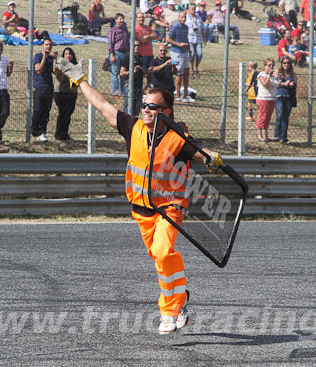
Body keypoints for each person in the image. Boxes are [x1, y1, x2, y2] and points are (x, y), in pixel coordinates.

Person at [59, 61, 223, 334]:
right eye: (144, 105)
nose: (146, 109)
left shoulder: (177, 137)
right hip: (142, 210)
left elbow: (202, 154)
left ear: (166, 112)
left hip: (170, 208)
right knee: (160, 258)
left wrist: (212, 159)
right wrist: (81, 80)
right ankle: (181, 298)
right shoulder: (132, 127)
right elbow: (102, 106)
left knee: (162, 252)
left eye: (152, 106)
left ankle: (169, 310)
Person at [31, 38, 57, 142]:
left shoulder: (51, 58)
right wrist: (44, 58)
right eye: (46, 44)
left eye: (50, 45)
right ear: (42, 45)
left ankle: (42, 132)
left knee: (46, 111)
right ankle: (34, 130)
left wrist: (54, 60)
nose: (48, 47)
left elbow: (55, 72)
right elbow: (39, 70)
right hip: (39, 87)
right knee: (38, 110)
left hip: (49, 87)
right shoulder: (38, 56)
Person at [166, 11, 194, 103]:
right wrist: (179, 44)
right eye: (182, 17)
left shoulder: (186, 27)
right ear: (179, 17)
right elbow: (168, 39)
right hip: (176, 52)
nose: (183, 19)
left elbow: (186, 39)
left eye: (185, 17)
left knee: (186, 73)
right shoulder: (175, 27)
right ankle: (178, 94)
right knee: (179, 73)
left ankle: (185, 94)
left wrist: (189, 50)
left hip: (185, 52)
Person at [52, 47, 77, 141]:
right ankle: (59, 133)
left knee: (68, 113)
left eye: (70, 54)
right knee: (63, 113)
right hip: (61, 92)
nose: (68, 56)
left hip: (72, 93)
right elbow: (59, 76)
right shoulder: (60, 64)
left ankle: (65, 133)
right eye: (66, 54)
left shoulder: (75, 65)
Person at [273, 55, 297, 144]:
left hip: (288, 97)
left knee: (285, 117)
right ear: (281, 64)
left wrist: (292, 84)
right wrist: (284, 83)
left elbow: (295, 84)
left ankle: (284, 136)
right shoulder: (278, 72)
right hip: (279, 96)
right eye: (284, 63)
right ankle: (276, 135)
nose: (286, 65)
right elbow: (275, 84)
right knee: (279, 115)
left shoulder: (292, 74)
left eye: (288, 63)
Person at [256, 58, 278, 142]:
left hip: (271, 98)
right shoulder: (261, 75)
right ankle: (259, 134)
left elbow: (276, 85)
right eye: (269, 65)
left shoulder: (273, 76)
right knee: (262, 116)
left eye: (272, 65)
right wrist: (269, 75)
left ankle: (265, 134)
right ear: (265, 66)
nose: (271, 67)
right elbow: (265, 84)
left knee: (268, 117)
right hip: (263, 98)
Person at [108, 13, 129, 96]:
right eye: (120, 19)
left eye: (122, 19)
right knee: (115, 72)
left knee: (123, 73)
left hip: (125, 53)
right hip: (116, 53)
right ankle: (115, 91)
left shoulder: (125, 30)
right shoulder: (113, 30)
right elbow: (110, 43)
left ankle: (123, 90)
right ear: (116, 20)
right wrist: (112, 54)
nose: (122, 20)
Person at [120, 41, 144, 114]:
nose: (136, 47)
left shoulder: (140, 57)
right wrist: (132, 71)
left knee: (136, 110)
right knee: (128, 109)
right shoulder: (127, 56)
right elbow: (121, 73)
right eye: (134, 45)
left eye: (138, 45)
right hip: (129, 85)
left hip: (139, 85)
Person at [186, 4, 205, 77]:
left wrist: (204, 39)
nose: (193, 11)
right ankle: (191, 70)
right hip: (190, 39)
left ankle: (196, 67)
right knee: (192, 54)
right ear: (189, 10)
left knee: (199, 54)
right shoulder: (186, 18)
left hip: (198, 39)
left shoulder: (199, 18)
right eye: (191, 9)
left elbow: (202, 28)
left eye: (194, 9)